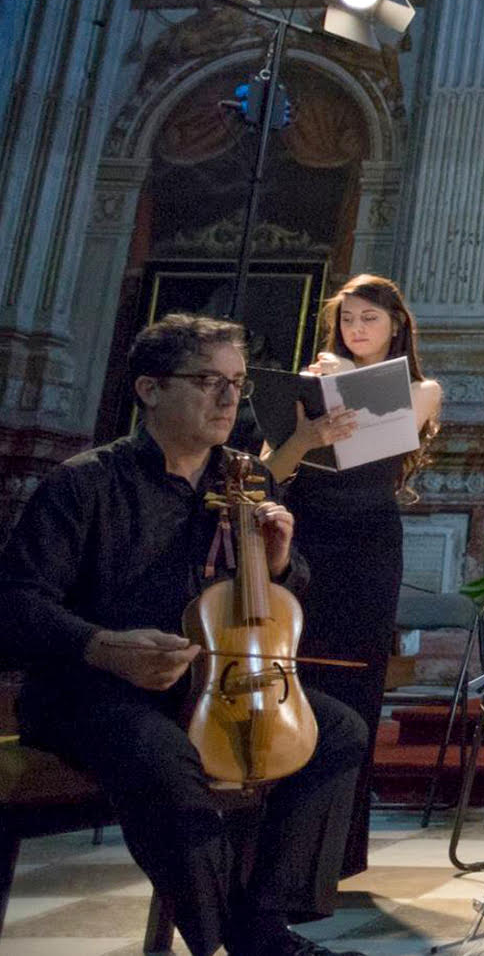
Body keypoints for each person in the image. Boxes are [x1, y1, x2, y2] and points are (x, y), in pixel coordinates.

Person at [0, 314, 367, 956]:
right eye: (207, 381)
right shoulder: (86, 482)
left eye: (237, 383)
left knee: (337, 732)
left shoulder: (249, 479)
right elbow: (15, 604)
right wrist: (101, 646)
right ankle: (249, 942)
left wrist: (280, 562)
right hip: (91, 689)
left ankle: (263, 918)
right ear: (149, 388)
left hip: (211, 685)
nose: (229, 400)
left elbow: (281, 596)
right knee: (166, 757)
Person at [262, 274, 443, 876]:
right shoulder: (310, 383)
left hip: (366, 542)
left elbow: (369, 449)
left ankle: (332, 855)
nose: (356, 329)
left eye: (369, 318)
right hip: (303, 534)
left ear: (396, 325)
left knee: (353, 688)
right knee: (292, 672)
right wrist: (303, 428)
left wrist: (339, 383)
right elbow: (270, 471)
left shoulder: (422, 390)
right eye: (347, 319)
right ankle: (270, 839)